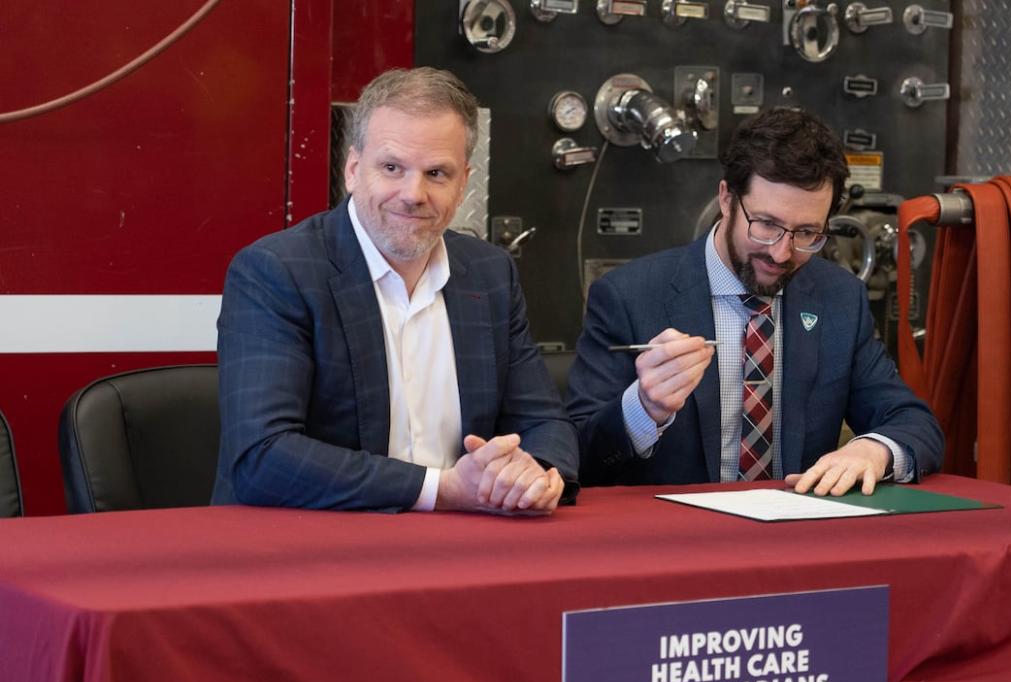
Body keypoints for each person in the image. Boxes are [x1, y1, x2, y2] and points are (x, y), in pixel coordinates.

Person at [214, 68, 576, 514]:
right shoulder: (277, 272)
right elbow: (262, 457)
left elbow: (543, 423)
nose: (413, 193)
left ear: (464, 183)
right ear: (351, 169)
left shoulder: (490, 274)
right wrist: (440, 490)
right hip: (311, 551)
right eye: (391, 168)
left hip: (467, 544)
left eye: (436, 173)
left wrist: (529, 474)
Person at [567, 108, 942, 494]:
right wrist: (643, 409)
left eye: (808, 232)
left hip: (797, 536)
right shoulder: (630, 296)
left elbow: (913, 421)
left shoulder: (839, 300)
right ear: (727, 198)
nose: (781, 253)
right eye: (766, 225)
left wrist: (872, 450)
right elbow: (577, 455)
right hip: (675, 541)